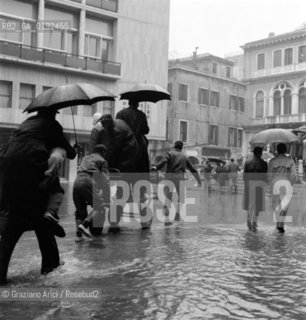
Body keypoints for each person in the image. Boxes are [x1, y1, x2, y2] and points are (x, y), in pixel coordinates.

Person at [0, 109, 76, 285]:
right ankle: (51, 269)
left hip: (7, 167)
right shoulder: (52, 124)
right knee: (51, 196)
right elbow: (69, 152)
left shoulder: (26, 123)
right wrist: (73, 149)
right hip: (32, 163)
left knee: (13, 224)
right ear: (53, 113)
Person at [89, 114, 140, 231]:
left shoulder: (117, 130)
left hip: (127, 155)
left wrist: (104, 164)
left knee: (121, 186)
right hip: (113, 158)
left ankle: (113, 217)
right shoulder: (105, 129)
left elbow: (112, 150)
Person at [152, 141, 202, 224]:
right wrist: (198, 179)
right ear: (181, 147)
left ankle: (167, 218)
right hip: (180, 178)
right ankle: (177, 214)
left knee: (168, 196)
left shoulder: (170, 154)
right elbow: (193, 169)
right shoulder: (185, 157)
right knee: (180, 197)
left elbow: (163, 162)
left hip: (169, 177)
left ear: (174, 146)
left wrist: (155, 167)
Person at [73, 144, 110, 241]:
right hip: (88, 180)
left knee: (80, 211)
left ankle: (79, 236)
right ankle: (84, 225)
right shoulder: (102, 160)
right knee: (100, 206)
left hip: (77, 181)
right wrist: (107, 198)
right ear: (103, 152)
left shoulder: (86, 157)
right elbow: (106, 180)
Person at [116, 97, 150, 173]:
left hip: (124, 144)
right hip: (139, 144)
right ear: (137, 104)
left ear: (129, 103)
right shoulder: (141, 115)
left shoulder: (120, 114)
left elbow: (117, 128)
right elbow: (146, 130)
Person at [268, 143, 297, 233]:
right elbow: (294, 175)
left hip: (275, 185)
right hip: (286, 185)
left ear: (277, 150)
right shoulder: (290, 161)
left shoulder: (272, 161)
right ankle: (281, 225)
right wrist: (290, 184)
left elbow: (269, 176)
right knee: (284, 207)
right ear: (285, 150)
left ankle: (278, 225)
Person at [243, 147, 268, 232]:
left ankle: (249, 221)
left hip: (249, 185)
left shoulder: (247, 162)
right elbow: (265, 177)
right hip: (259, 186)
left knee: (250, 204)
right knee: (257, 205)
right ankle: (254, 222)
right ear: (260, 153)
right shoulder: (264, 163)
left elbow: (244, 176)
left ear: (253, 153)